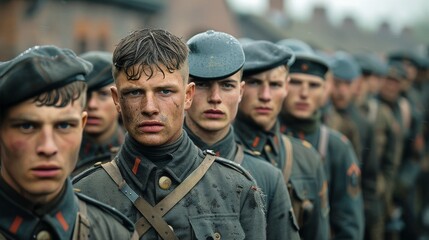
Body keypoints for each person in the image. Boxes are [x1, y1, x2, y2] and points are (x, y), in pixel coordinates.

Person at [73, 28, 266, 239]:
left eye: (165, 91)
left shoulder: (236, 188)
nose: (149, 107)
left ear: (188, 96)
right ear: (117, 99)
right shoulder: (83, 194)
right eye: (135, 92)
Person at [0, 45, 137, 239]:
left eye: (64, 126)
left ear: (82, 125)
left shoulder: (114, 233)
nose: (48, 147)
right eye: (27, 126)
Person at [184, 30, 300, 240]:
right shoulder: (154, 164)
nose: (215, 98)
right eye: (201, 84)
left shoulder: (267, 177)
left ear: (241, 91)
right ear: (185, 90)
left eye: (227, 85)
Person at [233, 40, 330, 240]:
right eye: (255, 82)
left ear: (286, 88)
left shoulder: (307, 158)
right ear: (239, 87)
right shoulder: (220, 152)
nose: (265, 96)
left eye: (275, 85)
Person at [277, 48, 365, 240]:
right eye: (296, 82)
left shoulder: (337, 147)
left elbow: (349, 226)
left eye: (314, 85)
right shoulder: (268, 139)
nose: (304, 93)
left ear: (326, 90)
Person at [73, 51, 125, 176]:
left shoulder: (137, 152)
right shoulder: (59, 154)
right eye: (85, 95)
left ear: (118, 98)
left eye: (103, 95)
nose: (92, 105)